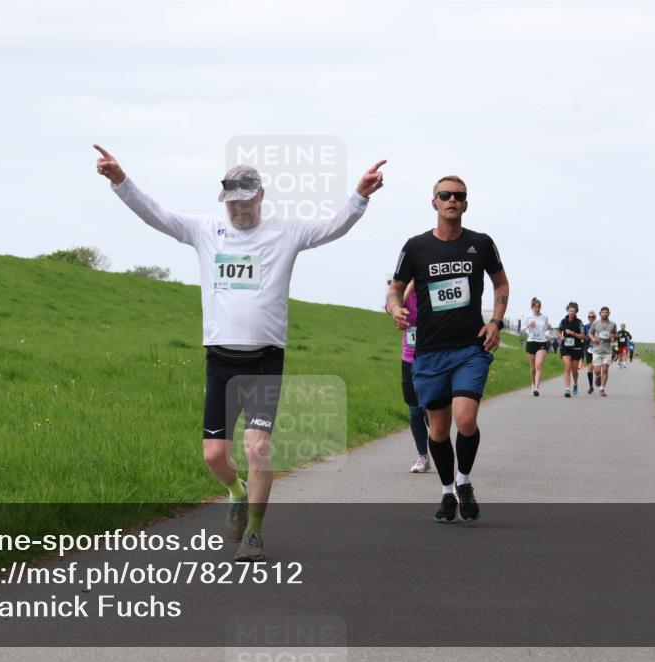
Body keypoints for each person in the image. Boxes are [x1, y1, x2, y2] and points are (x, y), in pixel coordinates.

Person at [95, 144, 386, 560]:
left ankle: (254, 532)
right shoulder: (205, 231)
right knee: (215, 456)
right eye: (232, 204)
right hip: (221, 360)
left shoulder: (286, 232)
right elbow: (156, 214)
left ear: (260, 196)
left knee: (256, 447)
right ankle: (236, 491)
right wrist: (120, 181)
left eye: (246, 202)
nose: (239, 211)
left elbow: (333, 227)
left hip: (265, 358)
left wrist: (360, 195)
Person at [387, 175, 509, 523]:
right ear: (435, 203)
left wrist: (496, 321)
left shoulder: (481, 243)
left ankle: (465, 482)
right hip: (429, 353)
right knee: (438, 431)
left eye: (459, 195)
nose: (452, 199)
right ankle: (446, 492)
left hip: (470, 348)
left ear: (466, 204)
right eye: (445, 195)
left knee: (465, 419)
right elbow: (396, 288)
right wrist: (396, 307)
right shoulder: (416, 247)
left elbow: (500, 282)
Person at [385, 279, 429, 472]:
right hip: (409, 358)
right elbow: (392, 308)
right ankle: (423, 457)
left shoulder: (430, 289)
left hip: (432, 359)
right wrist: (409, 286)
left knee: (430, 410)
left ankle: (440, 446)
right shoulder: (403, 293)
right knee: (414, 411)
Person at [523, 297, 551, 396]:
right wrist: (529, 325)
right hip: (531, 342)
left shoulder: (544, 317)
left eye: (539, 307)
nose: (537, 309)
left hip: (542, 342)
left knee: (538, 366)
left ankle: (536, 388)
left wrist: (549, 327)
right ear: (532, 307)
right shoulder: (527, 316)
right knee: (532, 368)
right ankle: (533, 384)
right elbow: (523, 328)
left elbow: (546, 328)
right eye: (536, 307)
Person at [558, 302, 586, 397]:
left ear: (576, 312)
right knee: (567, 367)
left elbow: (583, 336)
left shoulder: (579, 322)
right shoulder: (563, 321)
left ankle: (575, 383)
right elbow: (558, 330)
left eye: (574, 311)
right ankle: (567, 389)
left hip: (576, 348)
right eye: (570, 311)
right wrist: (560, 336)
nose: (572, 313)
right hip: (565, 347)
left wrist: (573, 333)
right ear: (567, 310)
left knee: (574, 369)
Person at [589, 306, 617, 397]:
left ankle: (602, 388)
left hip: (607, 350)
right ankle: (597, 376)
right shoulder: (595, 323)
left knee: (605, 369)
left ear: (609, 313)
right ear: (600, 313)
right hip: (597, 349)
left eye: (606, 312)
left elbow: (615, 335)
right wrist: (593, 339)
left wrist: (613, 336)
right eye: (603, 312)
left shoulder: (613, 324)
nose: (604, 313)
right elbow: (590, 333)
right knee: (597, 370)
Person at [583, 310, 597, 394]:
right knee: (590, 367)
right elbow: (583, 337)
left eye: (593, 317)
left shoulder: (599, 326)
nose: (591, 318)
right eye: (589, 317)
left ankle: (598, 377)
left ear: (595, 318)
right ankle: (591, 386)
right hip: (588, 347)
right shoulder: (585, 327)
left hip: (598, 348)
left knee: (597, 369)